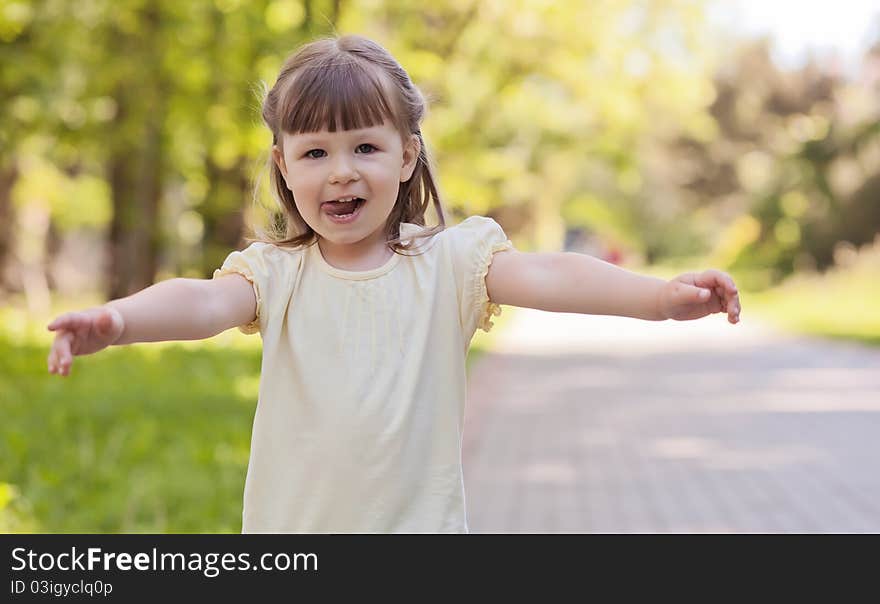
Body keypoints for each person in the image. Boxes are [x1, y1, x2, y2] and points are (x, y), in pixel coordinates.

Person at [45, 35, 741, 533]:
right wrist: (119, 321)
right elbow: (199, 301)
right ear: (284, 168)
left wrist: (657, 299)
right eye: (315, 152)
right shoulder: (275, 274)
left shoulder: (452, 263)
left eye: (365, 148)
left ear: (407, 157)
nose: (341, 171)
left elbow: (552, 271)